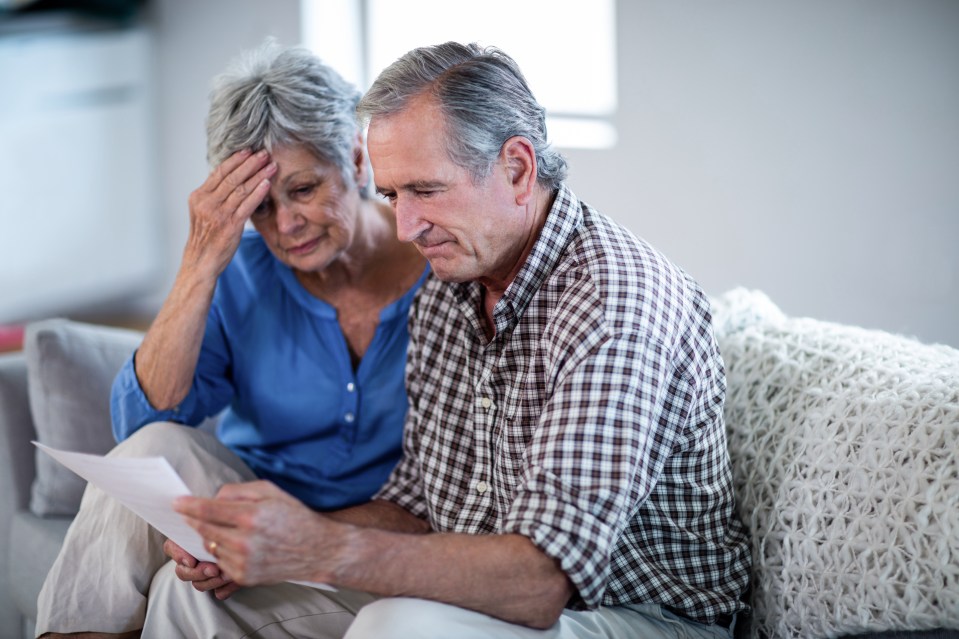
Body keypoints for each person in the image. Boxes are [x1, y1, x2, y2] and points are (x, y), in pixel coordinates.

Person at [139, 41, 753, 639]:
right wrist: (264, 545)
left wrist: (319, 548)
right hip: (471, 587)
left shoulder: (614, 302)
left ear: (516, 168)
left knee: (398, 623)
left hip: (629, 613)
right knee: (191, 597)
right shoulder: (451, 284)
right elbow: (414, 505)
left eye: (426, 191)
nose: (406, 227)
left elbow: (540, 582)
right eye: (392, 196)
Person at [35, 41, 427, 638]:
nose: (286, 225)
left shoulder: (442, 269)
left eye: (303, 189)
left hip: (368, 545)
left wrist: (296, 541)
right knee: (153, 447)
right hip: (250, 516)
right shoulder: (239, 272)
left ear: (355, 158)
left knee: (178, 591)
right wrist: (199, 262)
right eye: (260, 208)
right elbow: (142, 427)